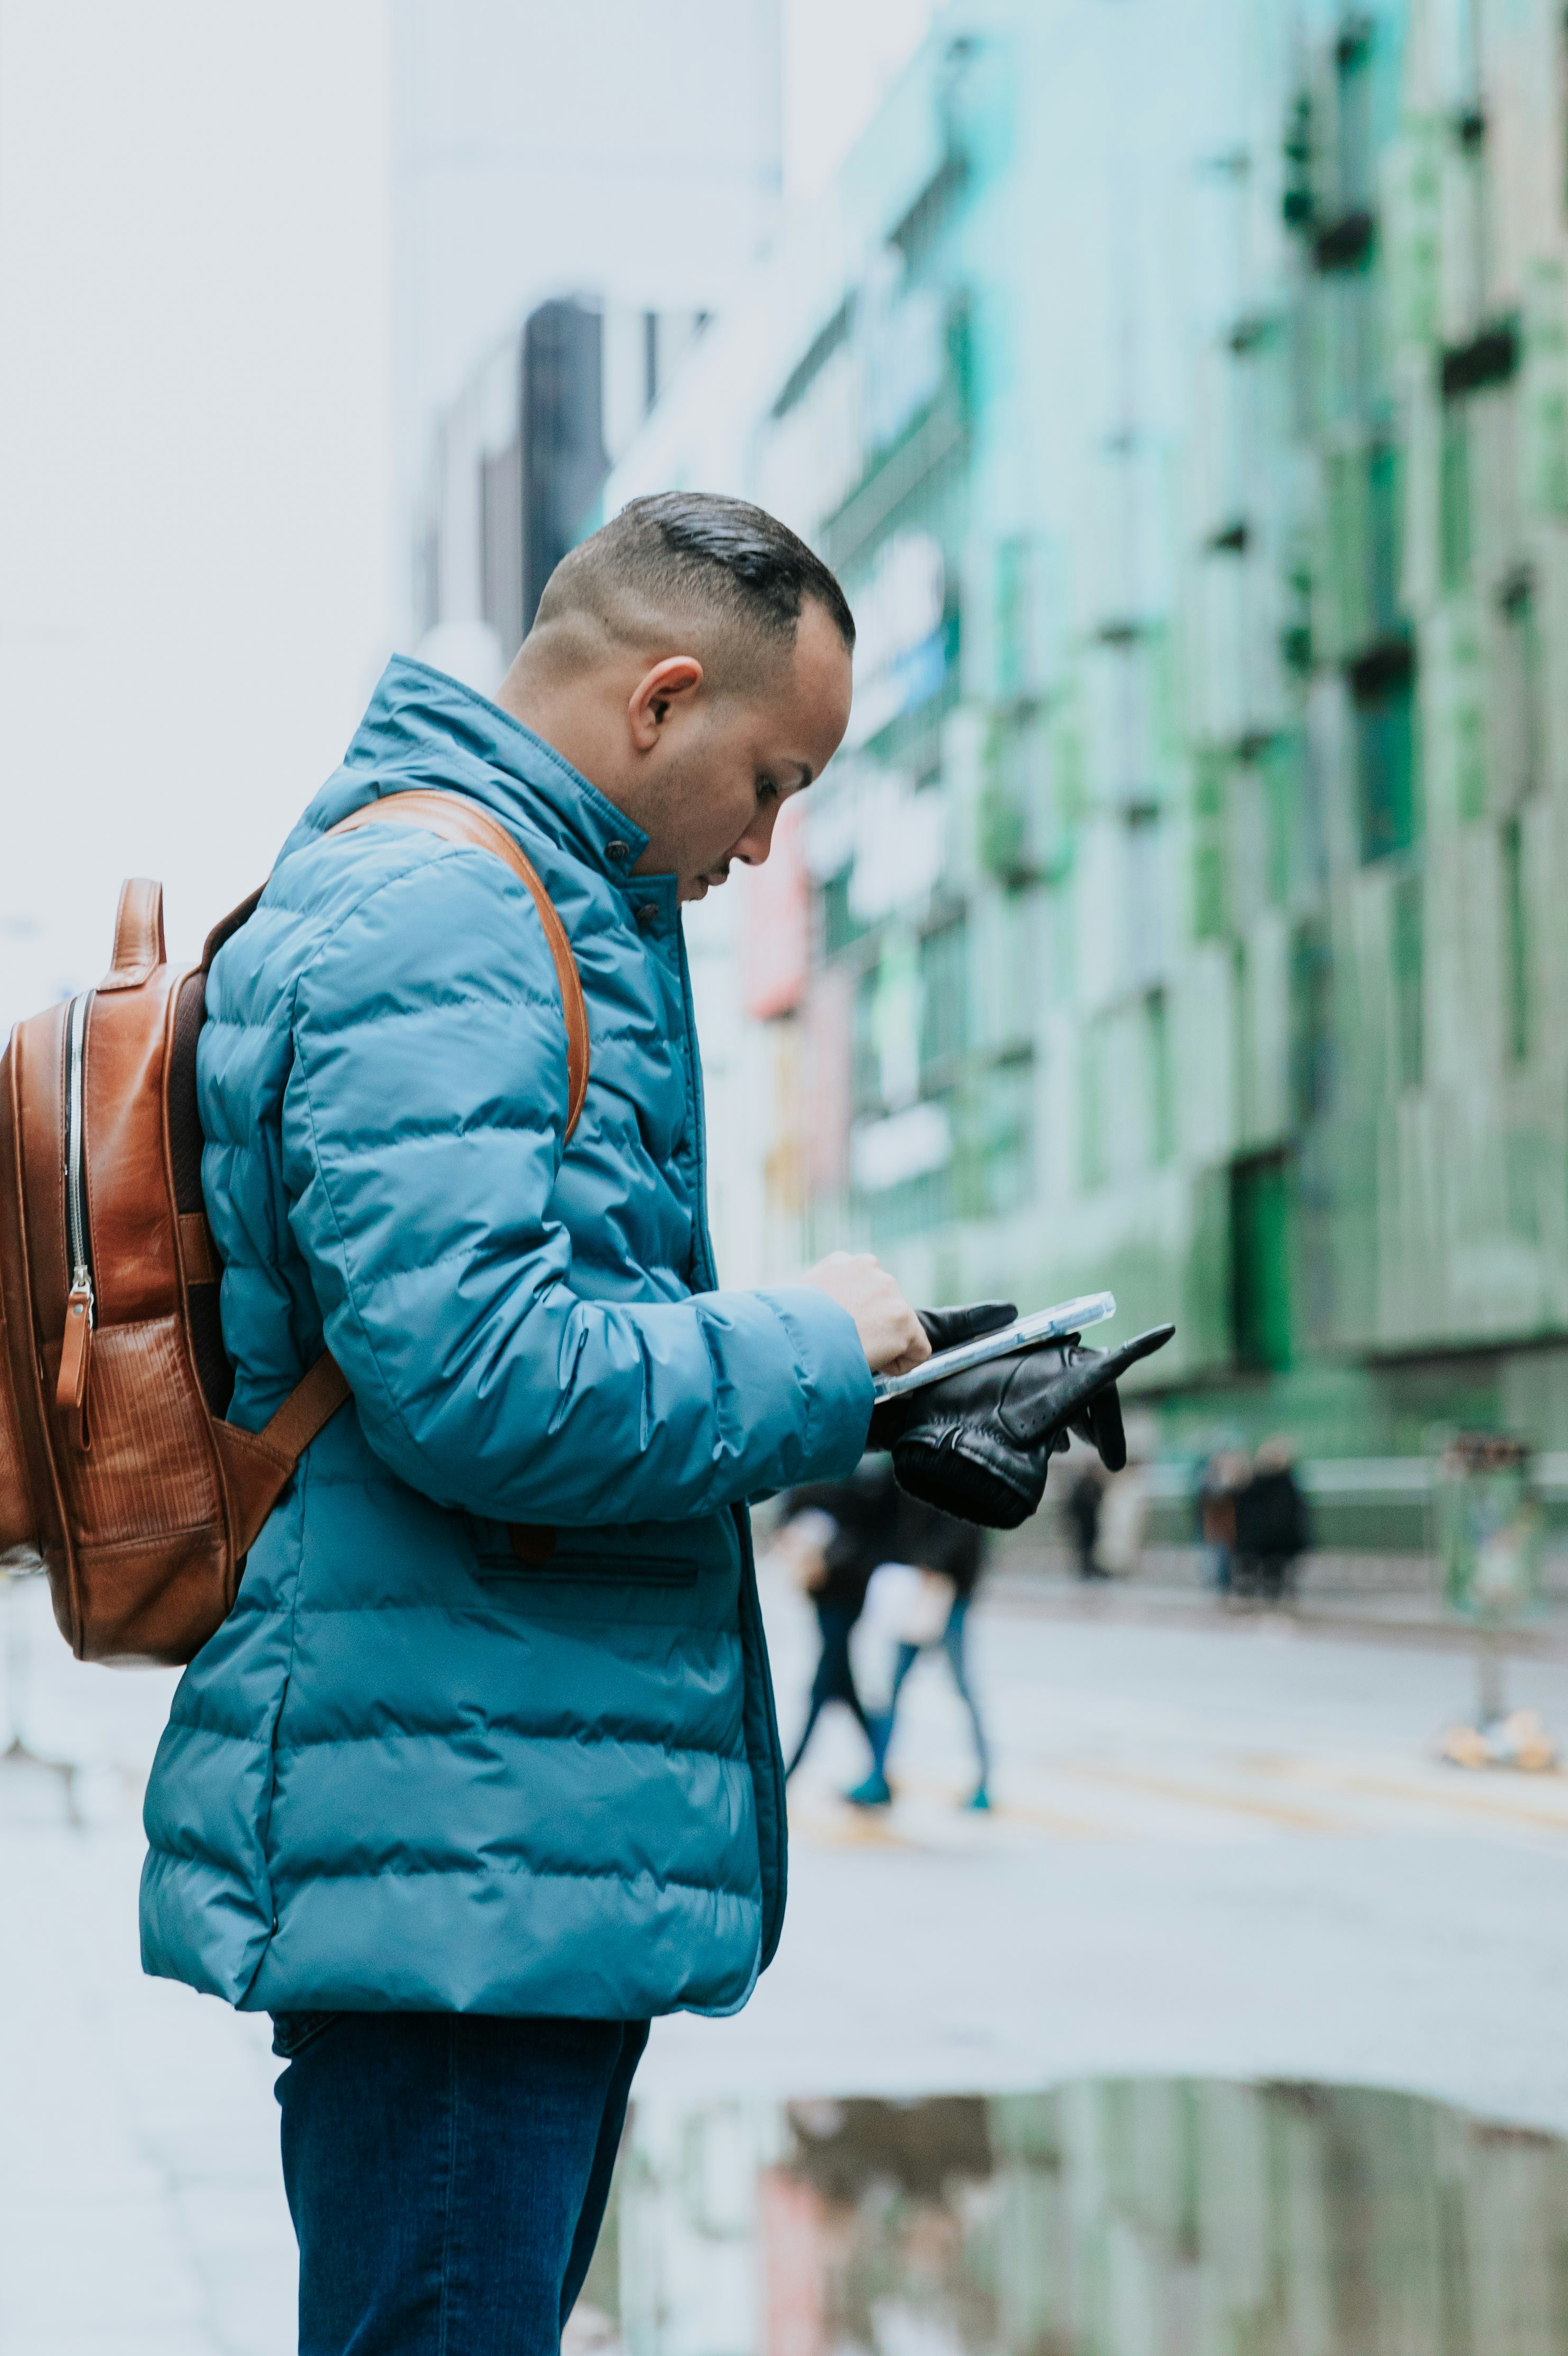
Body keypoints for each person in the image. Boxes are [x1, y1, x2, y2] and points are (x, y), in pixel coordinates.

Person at [142, 495, 946, 2354]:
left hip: (497, 1820)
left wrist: (890, 1391)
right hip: (459, 1854)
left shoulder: (508, 903)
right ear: (661, 699)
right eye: (772, 779)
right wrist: (812, 1351)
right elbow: (482, 1379)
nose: (767, 839)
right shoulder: (446, 909)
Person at [777, 1456, 909, 1786]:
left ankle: (788, 1773)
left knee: (824, 1683)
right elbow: (791, 1509)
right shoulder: (816, 1465)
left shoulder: (870, 1470)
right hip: (821, 1589)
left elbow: (874, 1530)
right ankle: (880, 1767)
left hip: (849, 1587)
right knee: (840, 1682)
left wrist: (827, 1560)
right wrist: (798, 1549)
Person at [860, 1493, 995, 1813]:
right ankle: (878, 1775)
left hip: (948, 1592)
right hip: (918, 1589)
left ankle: (984, 1783)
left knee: (962, 1690)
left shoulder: (960, 1476)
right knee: (892, 1690)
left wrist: (930, 1565)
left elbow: (963, 1526)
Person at [1235, 1437, 1312, 1607]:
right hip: (1269, 1542)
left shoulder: (1263, 1483)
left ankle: (1261, 1602)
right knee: (1267, 1576)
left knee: (1267, 1576)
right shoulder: (1280, 1484)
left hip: (1268, 1542)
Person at [1198, 1445, 1248, 1598]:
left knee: (1230, 1560)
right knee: (1221, 1559)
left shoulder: (1241, 1481)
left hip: (1235, 1529)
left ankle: (1228, 1586)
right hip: (1220, 1529)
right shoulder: (1212, 1482)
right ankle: (1223, 1587)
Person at [1063, 1454, 1106, 1580]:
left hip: (1090, 1523)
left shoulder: (1092, 1485)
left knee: (1090, 1545)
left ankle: (1089, 1567)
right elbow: (1074, 1505)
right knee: (1084, 1546)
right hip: (1084, 1524)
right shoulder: (1082, 1486)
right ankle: (1085, 1568)